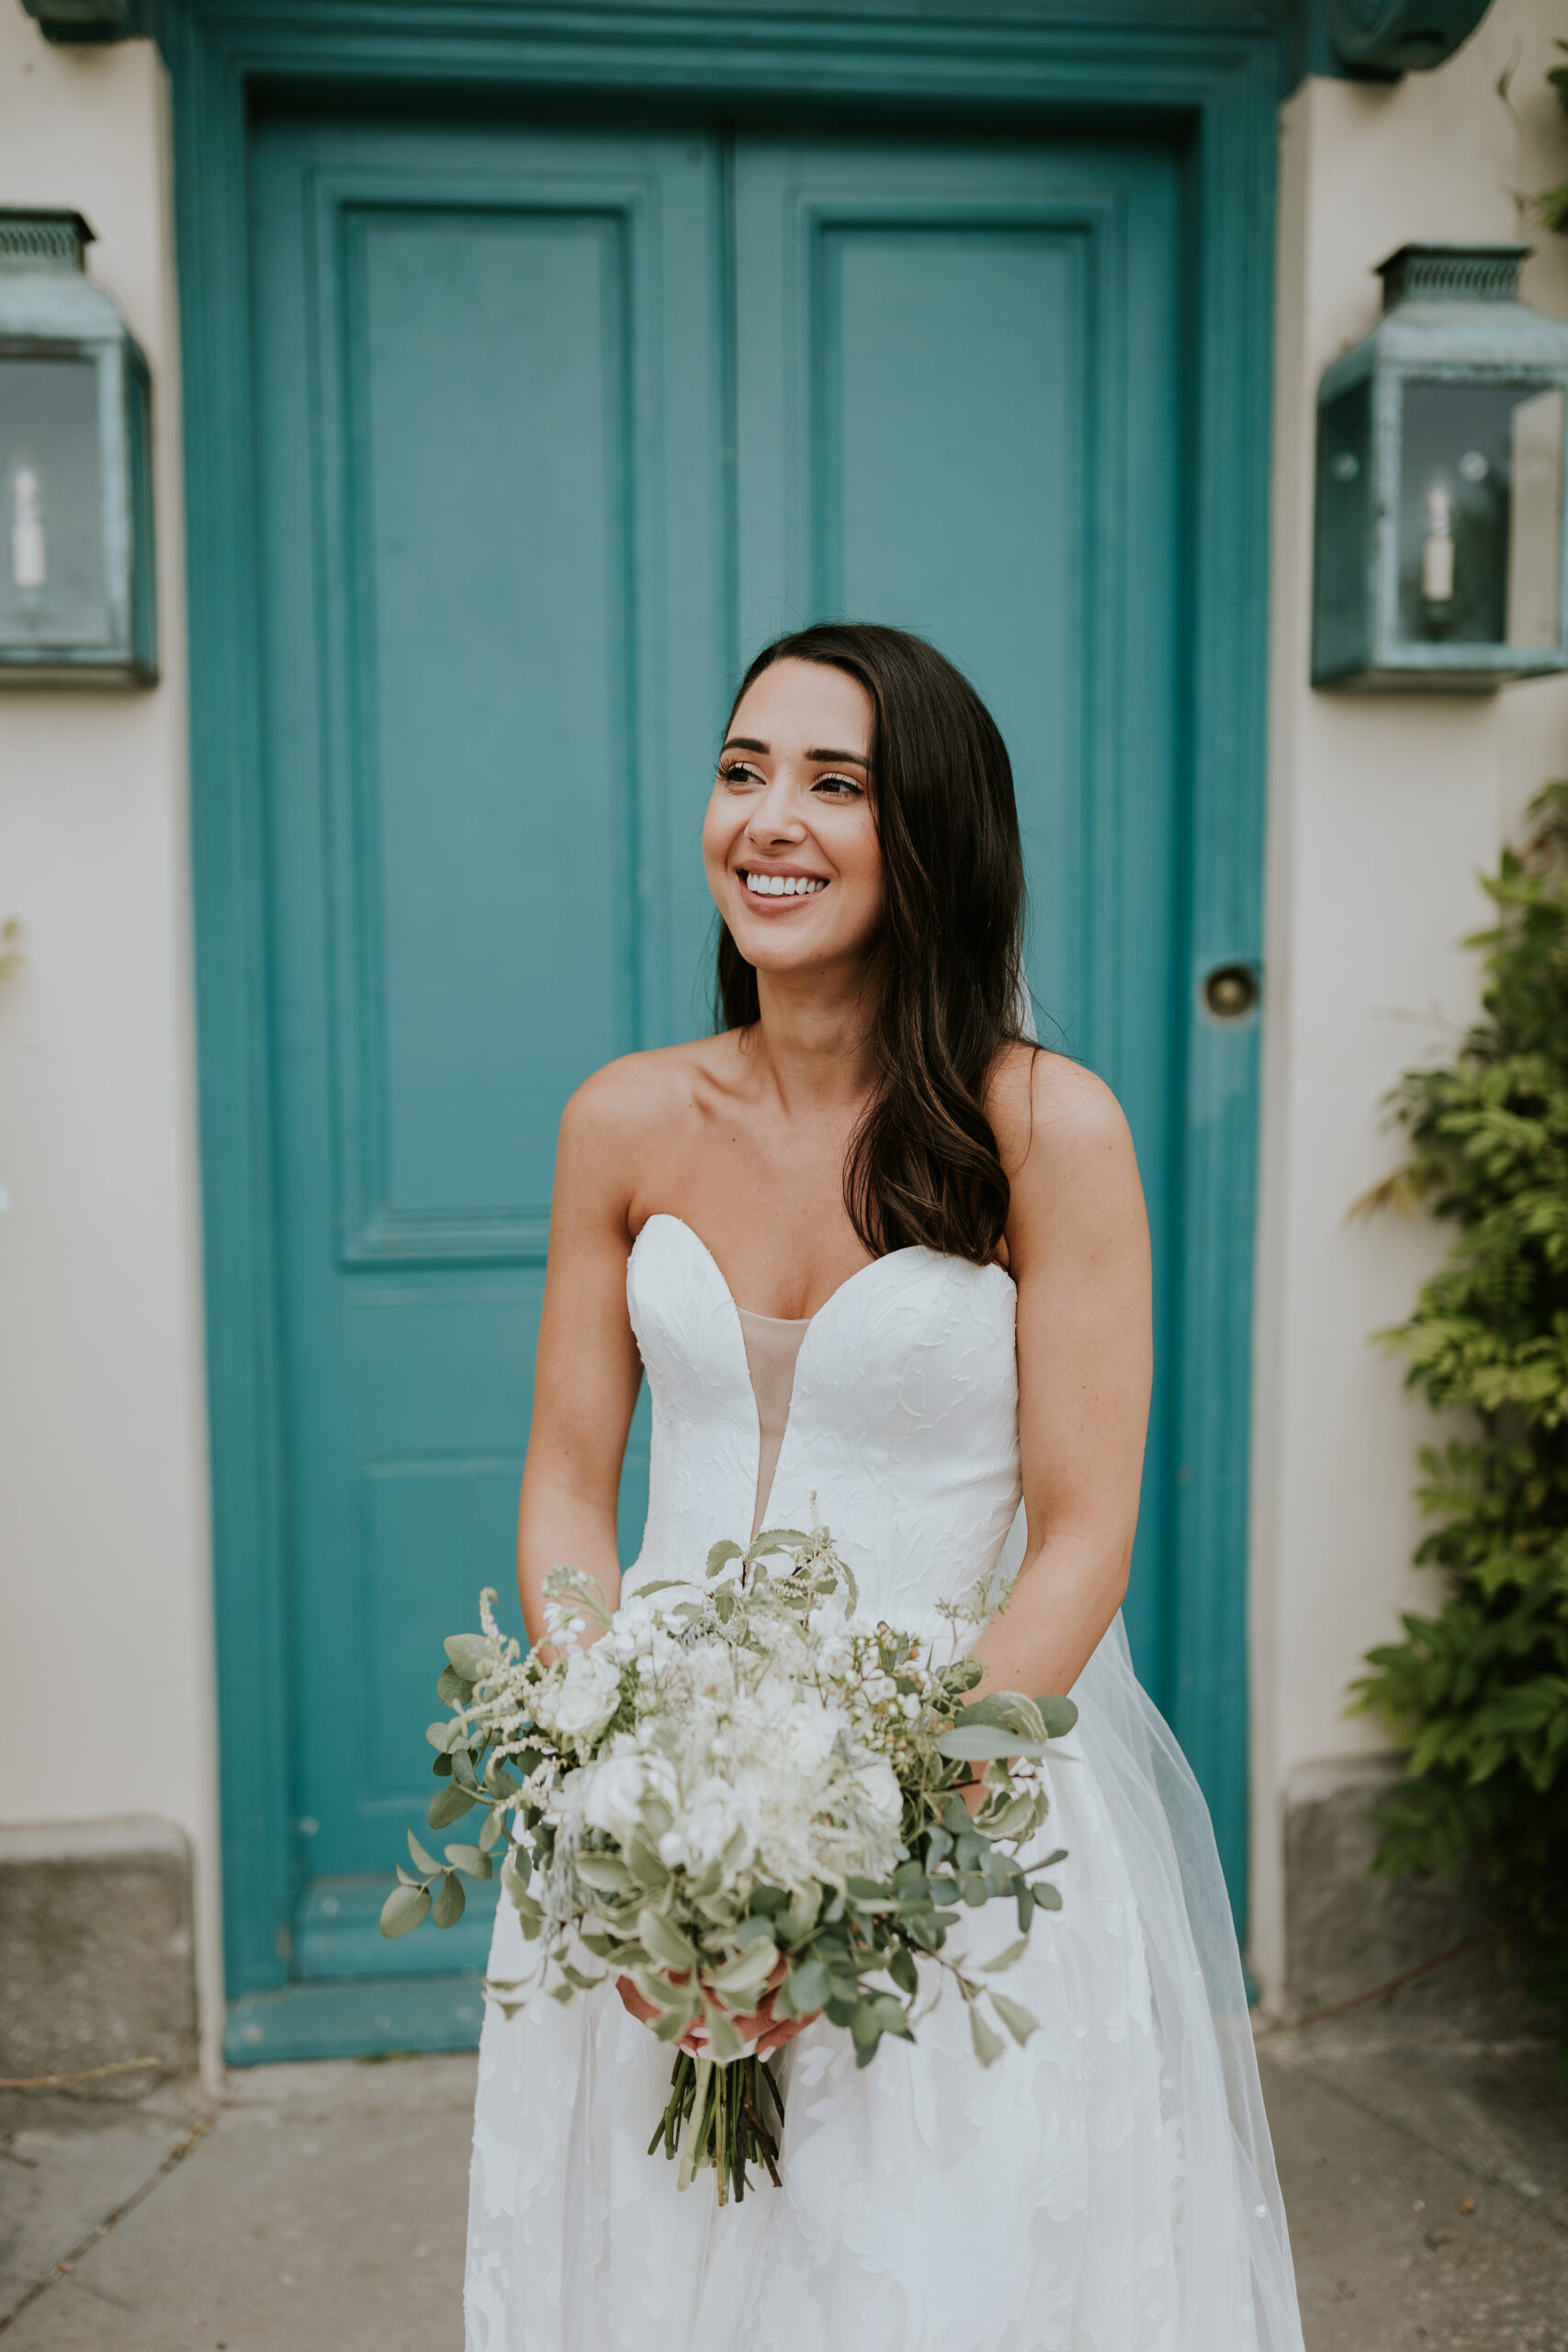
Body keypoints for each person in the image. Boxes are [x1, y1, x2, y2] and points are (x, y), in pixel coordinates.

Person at [465, 624, 1304, 2352]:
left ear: (930, 833)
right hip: (658, 1821)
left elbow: (1079, 1537)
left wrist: (863, 1859)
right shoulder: (619, 1123)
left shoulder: (1046, 1133)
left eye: (835, 783)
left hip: (956, 1827)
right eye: (743, 770)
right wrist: (604, 1777)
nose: (770, 819)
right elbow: (567, 1494)